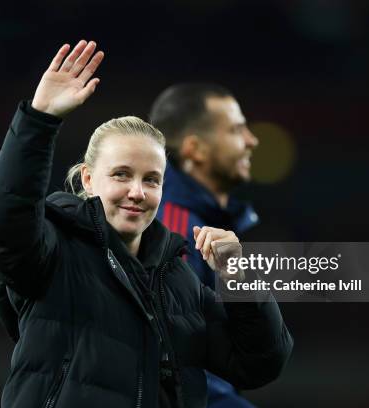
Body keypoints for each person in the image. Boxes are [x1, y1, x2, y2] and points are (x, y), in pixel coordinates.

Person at [0, 40, 293, 408]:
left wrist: (240, 279)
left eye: (151, 180)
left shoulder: (180, 280)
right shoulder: (55, 252)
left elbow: (261, 363)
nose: (137, 192)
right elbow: (4, 225)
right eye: (121, 175)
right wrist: (38, 120)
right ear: (89, 179)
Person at [150, 84, 264, 407]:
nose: (251, 140)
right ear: (195, 149)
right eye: (236, 129)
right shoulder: (175, 229)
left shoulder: (198, 223)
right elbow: (174, 367)